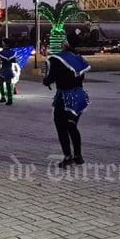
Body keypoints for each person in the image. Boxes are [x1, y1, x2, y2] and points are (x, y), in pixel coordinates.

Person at [42, 35, 90, 168]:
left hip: (65, 97)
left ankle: (68, 156)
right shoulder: (79, 58)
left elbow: (51, 77)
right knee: (72, 126)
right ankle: (78, 156)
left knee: (61, 126)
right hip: (79, 96)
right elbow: (81, 77)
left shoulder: (58, 59)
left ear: (66, 43)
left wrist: (45, 81)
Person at [0, 38, 17, 105]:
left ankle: (3, 97)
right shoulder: (12, 53)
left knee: (1, 84)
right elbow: (15, 61)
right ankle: (10, 99)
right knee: (8, 85)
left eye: (3, 42)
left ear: (4, 44)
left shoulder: (0, 53)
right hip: (9, 69)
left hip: (3, 70)